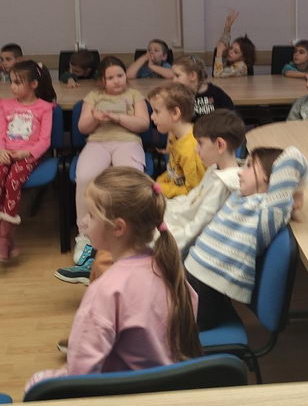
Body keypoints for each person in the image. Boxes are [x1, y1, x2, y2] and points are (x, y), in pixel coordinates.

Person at [25, 167, 201, 392]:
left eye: (91, 215)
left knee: (36, 384)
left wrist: (40, 382)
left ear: (118, 227)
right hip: (167, 391)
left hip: (124, 397)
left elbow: (79, 377)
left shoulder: (106, 290)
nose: (85, 222)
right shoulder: (171, 271)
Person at [59, 108, 247, 297]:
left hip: (178, 238)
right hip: (174, 223)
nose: (196, 149)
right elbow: (190, 202)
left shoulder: (225, 183)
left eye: (200, 144)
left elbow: (197, 227)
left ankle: (98, 269)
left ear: (220, 145)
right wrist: (161, 205)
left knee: (123, 235)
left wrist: (164, 238)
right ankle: (96, 263)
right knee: (129, 213)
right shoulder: (215, 170)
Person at [184, 144, 308, 329]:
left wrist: (297, 191)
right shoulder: (241, 196)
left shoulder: (269, 211)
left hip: (206, 291)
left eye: (249, 166)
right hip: (193, 273)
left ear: (269, 177)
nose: (241, 172)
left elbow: (294, 156)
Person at [63, 56, 149, 278]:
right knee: (86, 177)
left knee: (129, 180)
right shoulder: (94, 96)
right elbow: (83, 127)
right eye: (110, 78)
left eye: (120, 75)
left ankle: (130, 232)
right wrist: (95, 118)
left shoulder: (135, 95)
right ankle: (85, 236)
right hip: (97, 143)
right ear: (102, 80)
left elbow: (143, 124)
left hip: (128, 142)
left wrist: (118, 117)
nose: (117, 80)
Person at [0, 60, 55, 261]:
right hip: (6, 153)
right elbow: (1, 132)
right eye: (11, 82)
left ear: (33, 84)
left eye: (17, 82)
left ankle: (5, 235)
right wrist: (1, 150)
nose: (12, 87)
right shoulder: (5, 105)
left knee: (13, 180)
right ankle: (6, 236)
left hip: (29, 155)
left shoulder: (45, 108)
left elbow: (45, 140)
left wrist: (28, 153)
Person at [149, 82, 205, 198]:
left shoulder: (191, 149)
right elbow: (174, 172)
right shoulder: (175, 136)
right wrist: (159, 182)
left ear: (175, 113)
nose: (152, 116)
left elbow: (194, 191)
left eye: (156, 111)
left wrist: (161, 188)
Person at [213, 10, 255, 78]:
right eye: (231, 48)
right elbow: (224, 44)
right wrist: (227, 28)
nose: (230, 51)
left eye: (236, 52)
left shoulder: (241, 66)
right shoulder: (232, 61)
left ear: (243, 57)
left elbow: (217, 75)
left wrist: (219, 53)